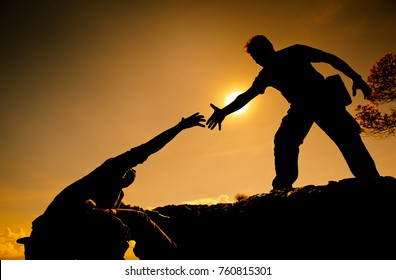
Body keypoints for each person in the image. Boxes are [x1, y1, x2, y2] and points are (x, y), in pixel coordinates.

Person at [22, 112, 206, 259]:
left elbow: (131, 210)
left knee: (137, 218)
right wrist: (180, 127)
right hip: (55, 235)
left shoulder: (114, 194)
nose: (132, 173)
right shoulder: (109, 170)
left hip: (65, 234)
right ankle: (175, 260)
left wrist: (161, 216)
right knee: (134, 221)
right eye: (129, 170)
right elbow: (147, 148)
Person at [207, 35, 379, 191]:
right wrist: (224, 111)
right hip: (303, 106)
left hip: (322, 99)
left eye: (256, 56)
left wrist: (356, 77)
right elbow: (246, 96)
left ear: (266, 49)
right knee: (285, 140)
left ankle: (372, 181)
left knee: (347, 138)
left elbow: (329, 58)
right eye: (253, 58)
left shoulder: (294, 52)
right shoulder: (267, 73)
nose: (256, 61)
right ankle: (282, 186)